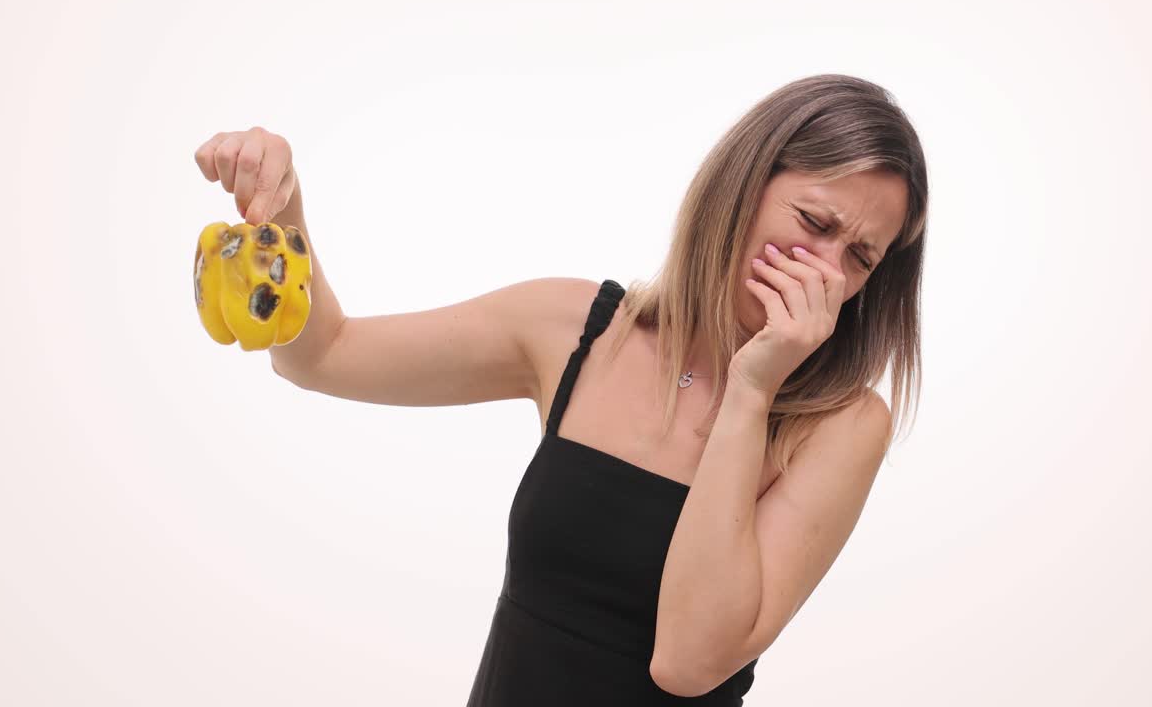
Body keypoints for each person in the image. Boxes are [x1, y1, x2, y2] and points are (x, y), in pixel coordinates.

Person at [192, 72, 928, 706]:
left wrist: (751, 389)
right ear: (744, 185)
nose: (825, 270)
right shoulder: (577, 328)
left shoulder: (841, 425)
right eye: (814, 222)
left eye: (860, 256)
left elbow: (688, 662)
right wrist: (280, 209)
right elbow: (321, 357)